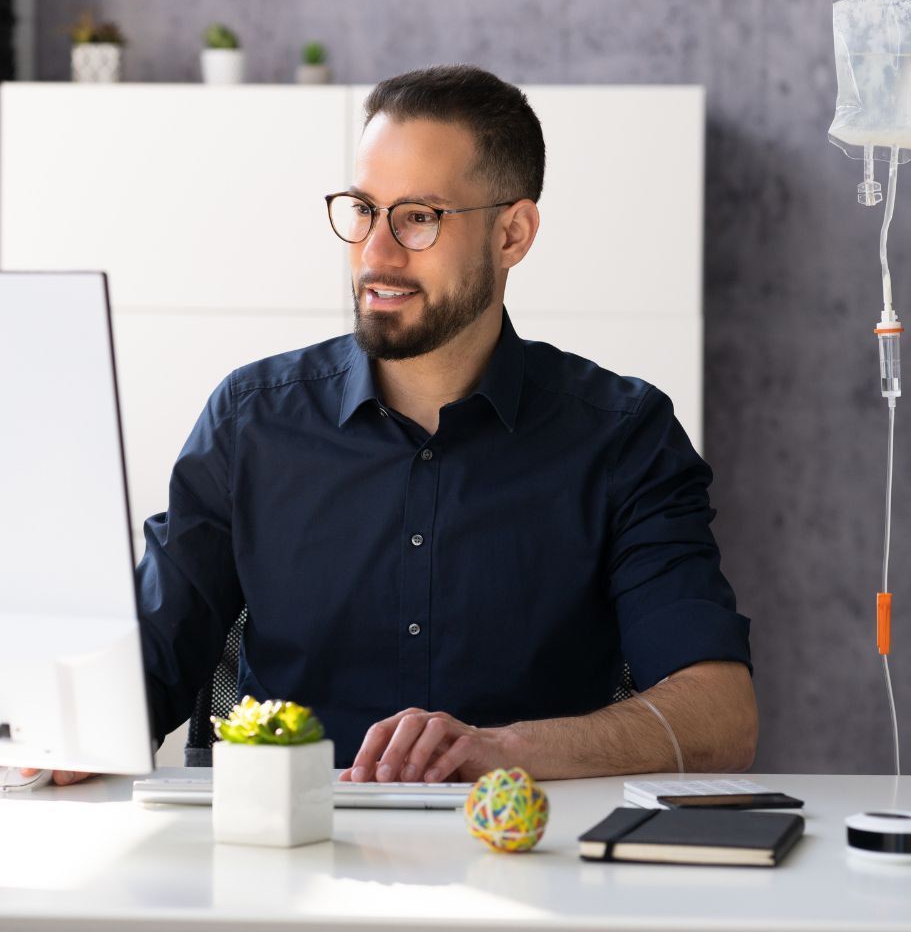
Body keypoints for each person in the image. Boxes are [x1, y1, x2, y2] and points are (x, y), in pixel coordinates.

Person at [40, 63, 756, 788]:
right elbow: (142, 669)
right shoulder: (251, 420)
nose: (375, 254)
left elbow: (720, 718)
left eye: (419, 217)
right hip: (287, 863)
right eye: (362, 208)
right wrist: (60, 727)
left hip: (530, 858)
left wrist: (501, 752)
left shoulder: (624, 436)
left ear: (513, 233)